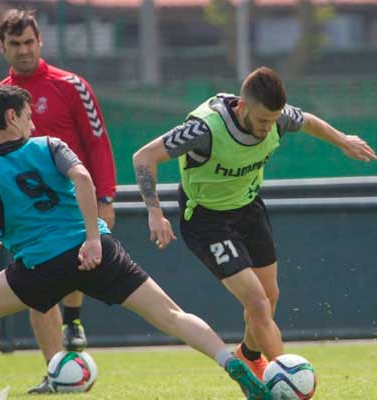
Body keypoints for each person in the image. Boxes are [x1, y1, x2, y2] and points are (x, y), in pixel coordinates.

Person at [0, 84, 271, 400]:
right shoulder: (50, 146)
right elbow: (84, 179)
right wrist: (93, 238)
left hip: (39, 267)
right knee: (172, 315)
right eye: (27, 115)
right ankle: (228, 360)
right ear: (11, 117)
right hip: (96, 253)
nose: (32, 122)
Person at [132, 66, 377, 380]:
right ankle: (286, 377)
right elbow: (143, 157)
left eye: (273, 121)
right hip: (207, 221)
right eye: (262, 120)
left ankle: (249, 355)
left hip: (249, 209)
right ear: (242, 107)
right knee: (258, 303)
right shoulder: (204, 129)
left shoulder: (277, 117)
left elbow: (308, 121)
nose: (267, 128)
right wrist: (154, 210)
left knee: (270, 295)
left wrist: (343, 140)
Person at [0, 9, 118, 392]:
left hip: (75, 205)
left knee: (79, 271)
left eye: (29, 42)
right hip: (27, 213)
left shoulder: (71, 85)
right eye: (15, 44)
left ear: (40, 42)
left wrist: (105, 196)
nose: (23, 50)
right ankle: (56, 373)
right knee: (37, 298)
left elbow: (97, 141)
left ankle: (73, 317)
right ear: (1, 47)